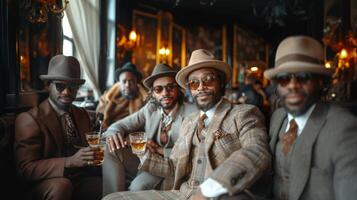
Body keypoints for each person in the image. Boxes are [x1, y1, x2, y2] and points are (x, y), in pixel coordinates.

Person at [103, 49, 271, 200]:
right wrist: (144, 154)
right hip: (180, 194)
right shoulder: (190, 122)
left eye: (208, 79)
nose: (201, 87)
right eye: (194, 83)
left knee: (136, 186)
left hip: (218, 195)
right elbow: (173, 166)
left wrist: (210, 189)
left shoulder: (244, 113)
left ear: (221, 82)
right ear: (190, 88)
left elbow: (256, 151)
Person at [264, 35, 357, 200]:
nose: (293, 85)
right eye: (284, 78)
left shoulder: (344, 128)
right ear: (277, 86)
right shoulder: (277, 118)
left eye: (304, 76)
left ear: (321, 82)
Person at [14, 55, 102, 200]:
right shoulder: (29, 119)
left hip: (80, 179)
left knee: (111, 184)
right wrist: (69, 161)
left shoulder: (82, 114)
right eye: (60, 86)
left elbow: (90, 149)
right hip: (46, 184)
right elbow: (25, 169)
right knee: (62, 185)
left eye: (72, 87)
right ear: (48, 85)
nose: (67, 92)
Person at [102, 63, 196, 196]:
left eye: (170, 87)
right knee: (110, 147)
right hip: (146, 158)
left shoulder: (191, 112)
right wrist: (114, 134)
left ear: (178, 89)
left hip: (171, 165)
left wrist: (158, 149)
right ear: (152, 92)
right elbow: (119, 125)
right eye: (158, 89)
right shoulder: (150, 109)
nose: (165, 93)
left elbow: (190, 154)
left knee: (137, 187)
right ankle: (111, 197)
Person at [96, 62, 147, 129]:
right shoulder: (108, 97)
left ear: (136, 83)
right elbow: (99, 117)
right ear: (119, 83)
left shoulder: (143, 98)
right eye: (124, 81)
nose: (127, 85)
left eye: (131, 81)